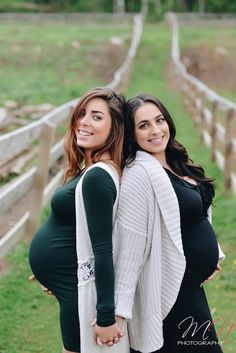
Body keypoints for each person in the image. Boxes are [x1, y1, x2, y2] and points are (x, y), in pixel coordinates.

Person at [113, 93, 225, 353]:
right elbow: (131, 244)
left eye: (159, 120)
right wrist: (118, 311)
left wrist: (212, 253)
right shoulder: (139, 175)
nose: (155, 130)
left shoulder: (175, 161)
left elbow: (195, 215)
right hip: (170, 288)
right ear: (132, 134)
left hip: (190, 285)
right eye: (144, 125)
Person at [29, 87, 129, 353]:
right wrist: (54, 265)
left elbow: (103, 248)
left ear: (115, 128)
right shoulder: (90, 171)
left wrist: (106, 316)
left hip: (81, 296)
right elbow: (80, 229)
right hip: (68, 285)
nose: (84, 122)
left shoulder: (97, 176)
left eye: (97, 117)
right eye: (82, 113)